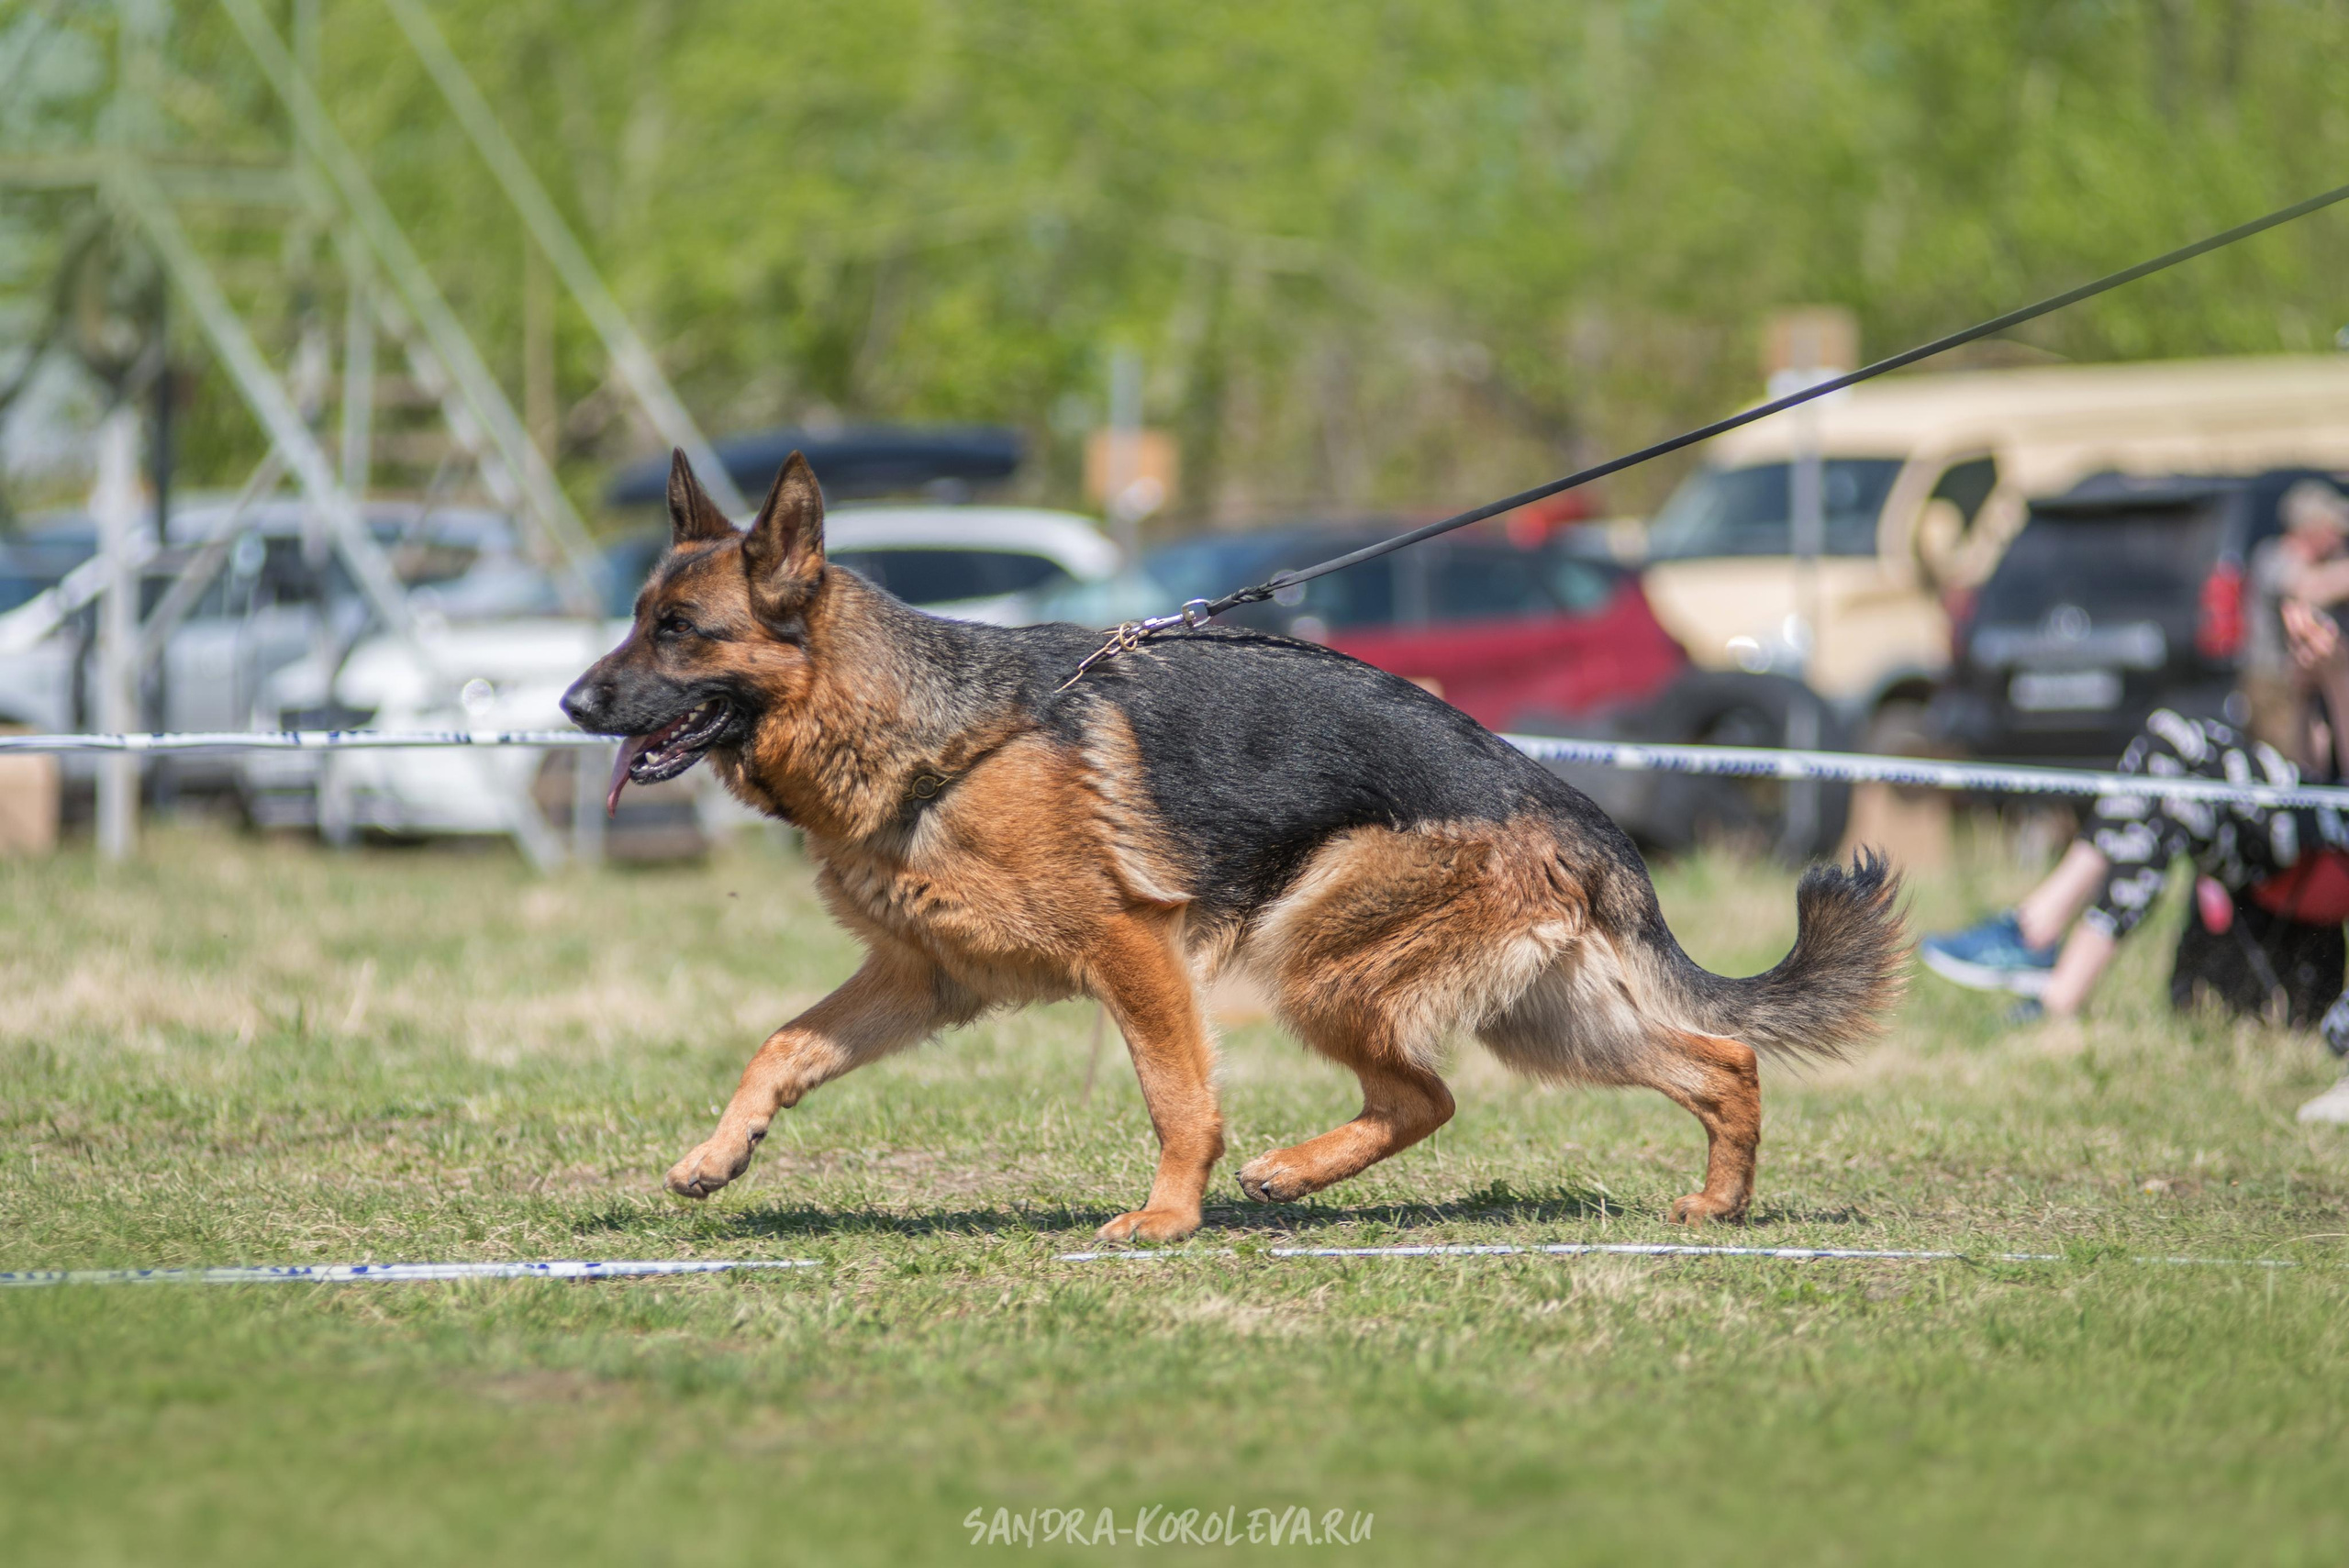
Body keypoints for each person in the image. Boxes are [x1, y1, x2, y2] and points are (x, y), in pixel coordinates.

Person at [1920, 595, 2349, 1124]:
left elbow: (2337, 796)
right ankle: (2056, 985)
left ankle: (2037, 936)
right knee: (2163, 785)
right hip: (2304, 838)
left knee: (2167, 741)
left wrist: (2338, 676)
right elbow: (2312, 767)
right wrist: (2310, 685)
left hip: (2333, 844)